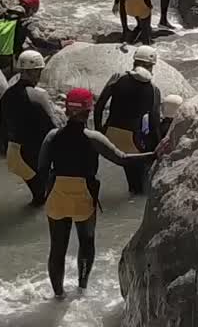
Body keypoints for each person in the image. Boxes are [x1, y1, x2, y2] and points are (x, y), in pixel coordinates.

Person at [36, 87, 160, 299]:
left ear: (66, 110)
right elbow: (122, 158)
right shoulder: (93, 138)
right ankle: (82, 289)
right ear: (88, 111)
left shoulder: (52, 136)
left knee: (57, 248)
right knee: (86, 244)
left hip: (57, 195)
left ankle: (58, 296)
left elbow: (42, 168)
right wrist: (155, 154)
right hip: (83, 196)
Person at [0, 50, 64, 206]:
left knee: (38, 197)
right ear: (35, 72)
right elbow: (52, 127)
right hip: (33, 155)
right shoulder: (37, 96)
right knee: (48, 199)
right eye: (39, 71)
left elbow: (3, 128)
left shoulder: (7, 95)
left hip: (13, 155)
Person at [93, 45, 162, 194]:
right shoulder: (153, 90)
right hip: (132, 141)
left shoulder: (117, 79)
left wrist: (100, 131)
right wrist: (156, 149)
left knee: (128, 168)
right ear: (150, 66)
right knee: (140, 186)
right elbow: (154, 122)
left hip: (110, 136)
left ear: (134, 63)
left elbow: (98, 107)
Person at [0, 0, 59, 76]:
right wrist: (58, 45)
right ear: (31, 9)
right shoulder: (26, 21)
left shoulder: (3, 13)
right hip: (7, 63)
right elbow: (37, 42)